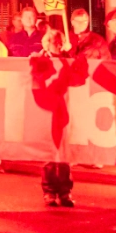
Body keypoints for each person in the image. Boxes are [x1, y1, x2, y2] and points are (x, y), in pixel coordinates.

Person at [31, 25, 85, 207]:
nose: (58, 45)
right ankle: (49, 191)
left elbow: (78, 79)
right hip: (46, 110)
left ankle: (64, 191)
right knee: (49, 152)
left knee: (63, 153)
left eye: (60, 42)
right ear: (47, 44)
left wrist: (74, 59)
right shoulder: (39, 61)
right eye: (55, 42)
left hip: (63, 110)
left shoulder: (66, 61)